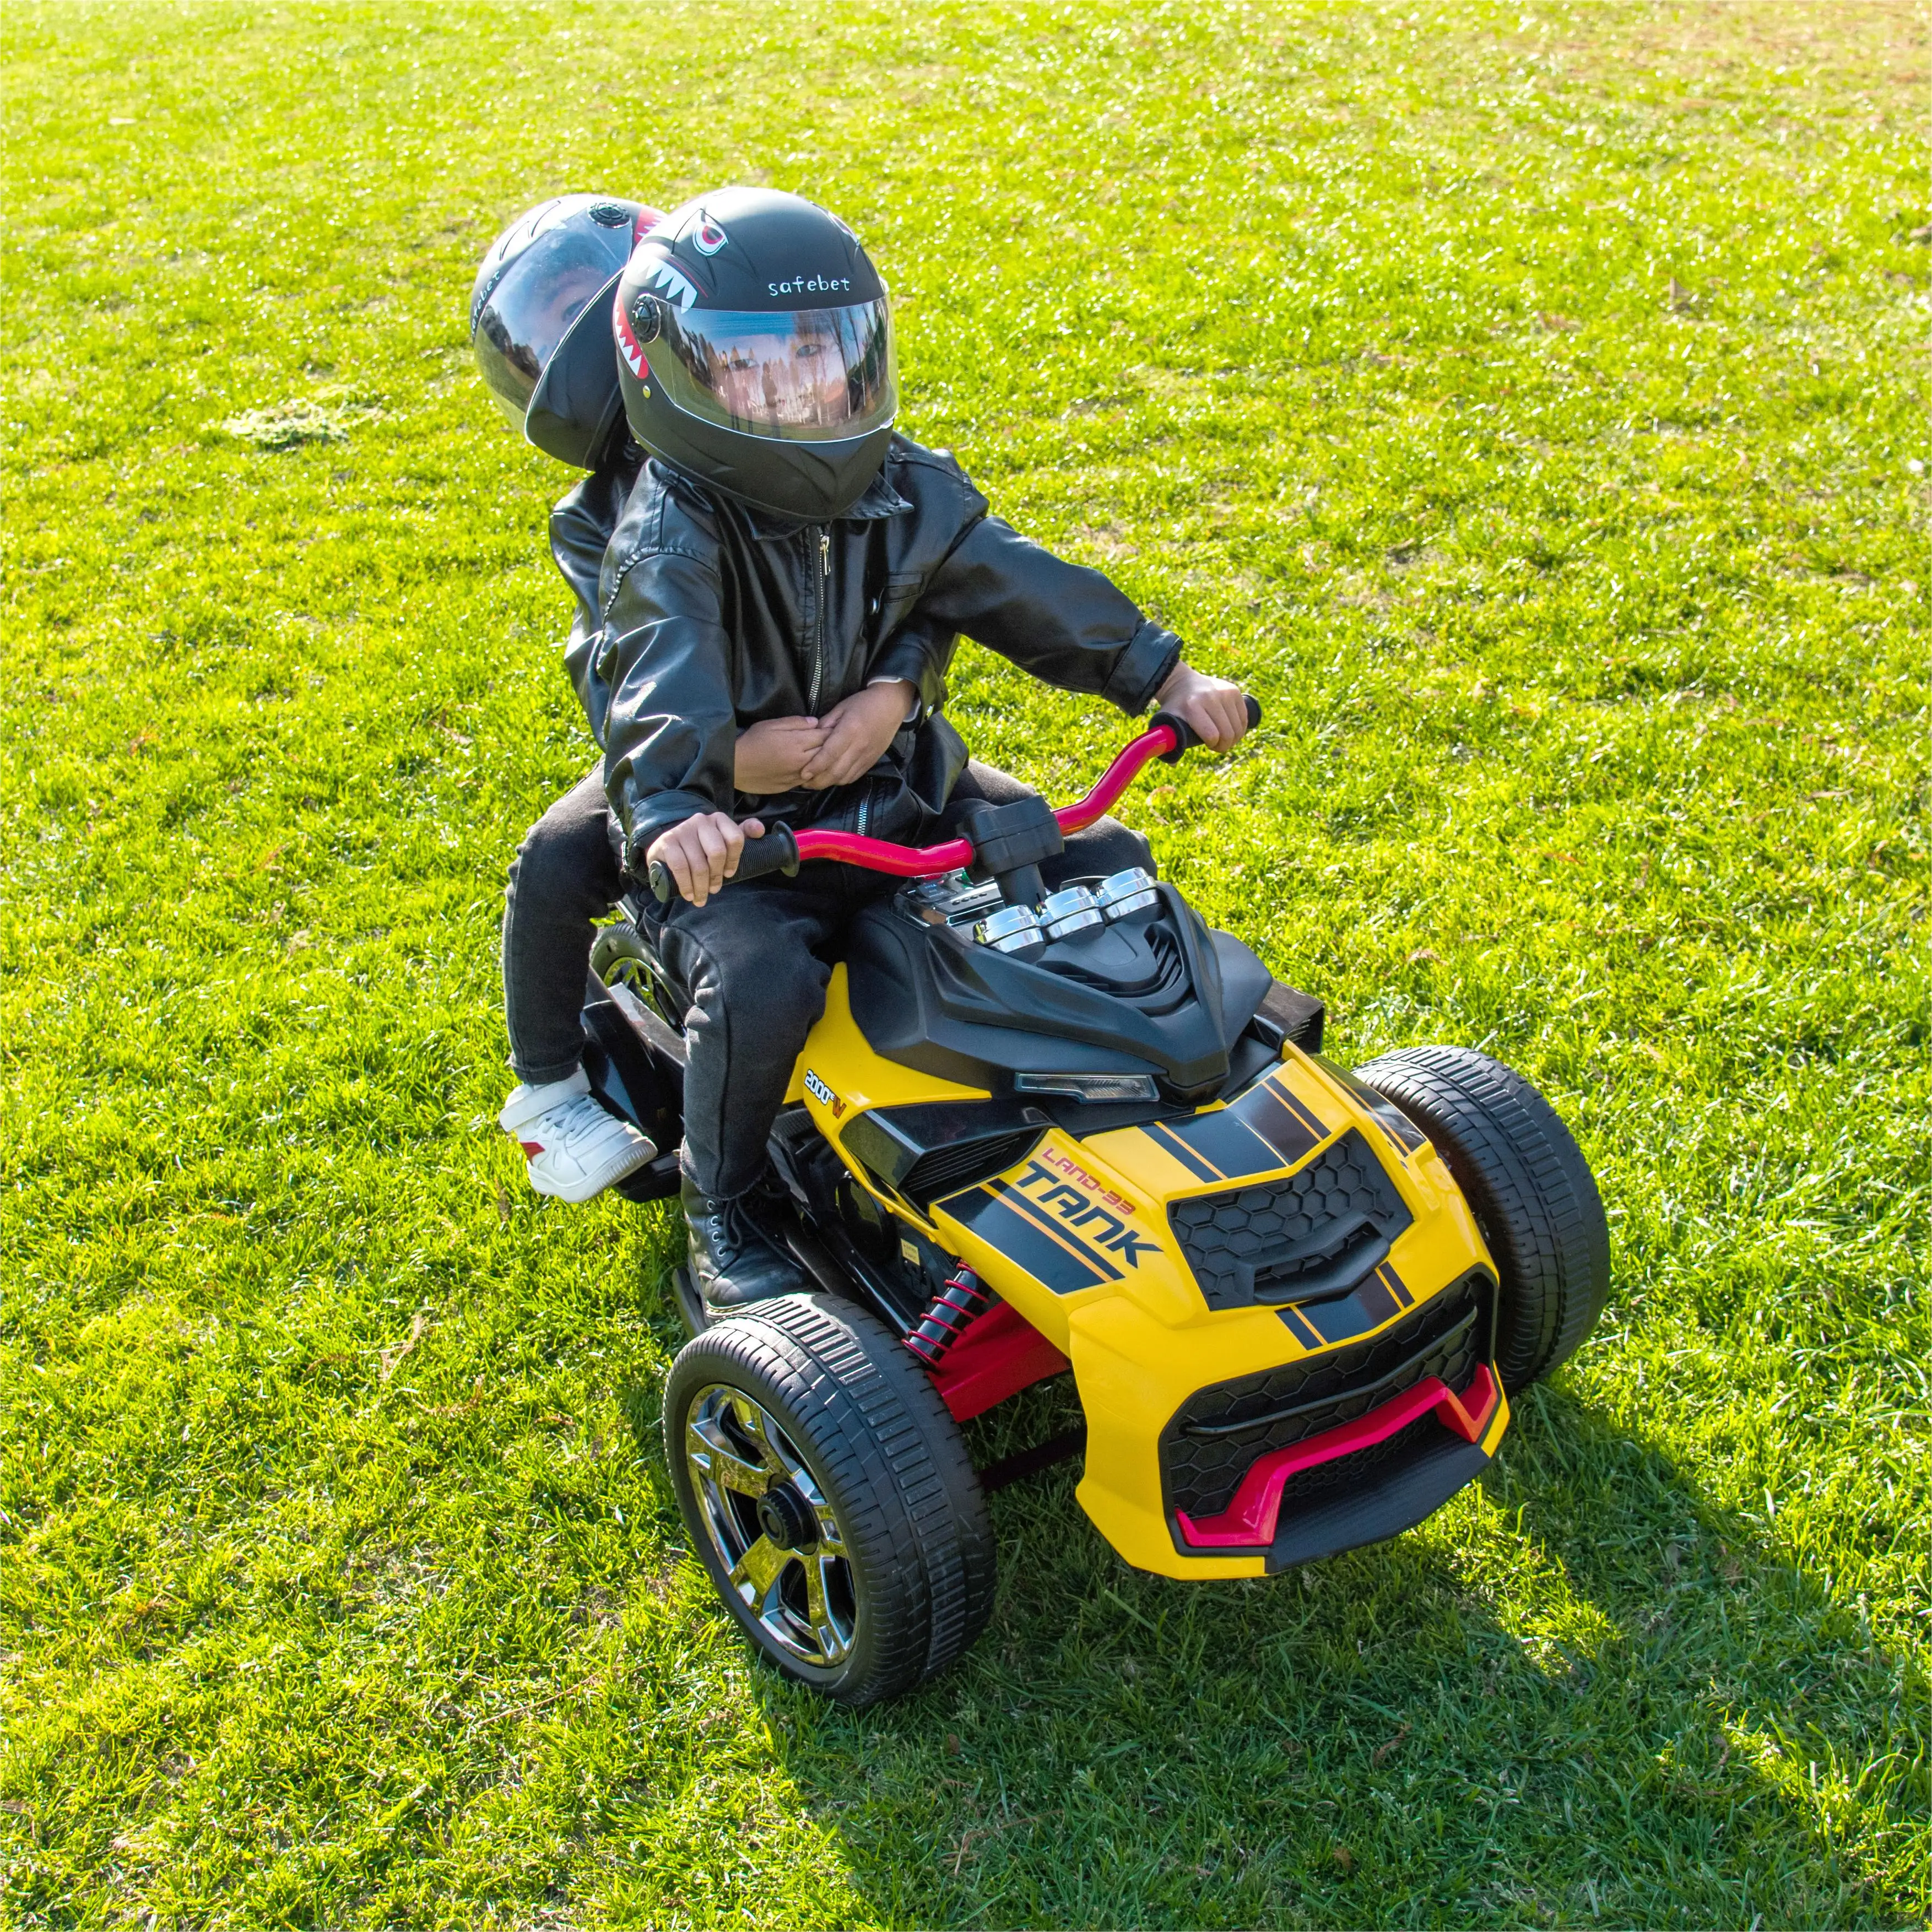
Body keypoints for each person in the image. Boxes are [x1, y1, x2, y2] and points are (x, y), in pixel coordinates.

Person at [576, 186, 1253, 1315]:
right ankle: (724, 1210)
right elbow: (659, 674)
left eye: (821, 353)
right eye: (751, 365)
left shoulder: (906, 486)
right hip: (749, 842)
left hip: (901, 794)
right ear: (674, 378)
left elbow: (1022, 584)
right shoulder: (672, 531)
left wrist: (1161, 673)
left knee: (1096, 863)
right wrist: (679, 809)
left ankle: (1141, 1108)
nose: (799, 386)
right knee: (758, 976)